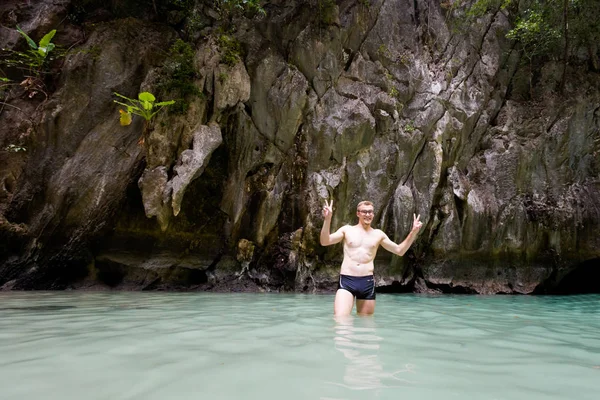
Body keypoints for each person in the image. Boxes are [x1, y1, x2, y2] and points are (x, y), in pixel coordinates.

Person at [320, 199, 422, 316]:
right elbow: (325, 241)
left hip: (367, 282)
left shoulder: (378, 234)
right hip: (347, 281)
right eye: (364, 212)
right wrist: (327, 219)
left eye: (370, 212)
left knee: (366, 326)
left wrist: (413, 232)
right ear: (358, 213)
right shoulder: (347, 230)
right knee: (340, 319)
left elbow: (400, 250)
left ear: (373, 214)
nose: (367, 215)